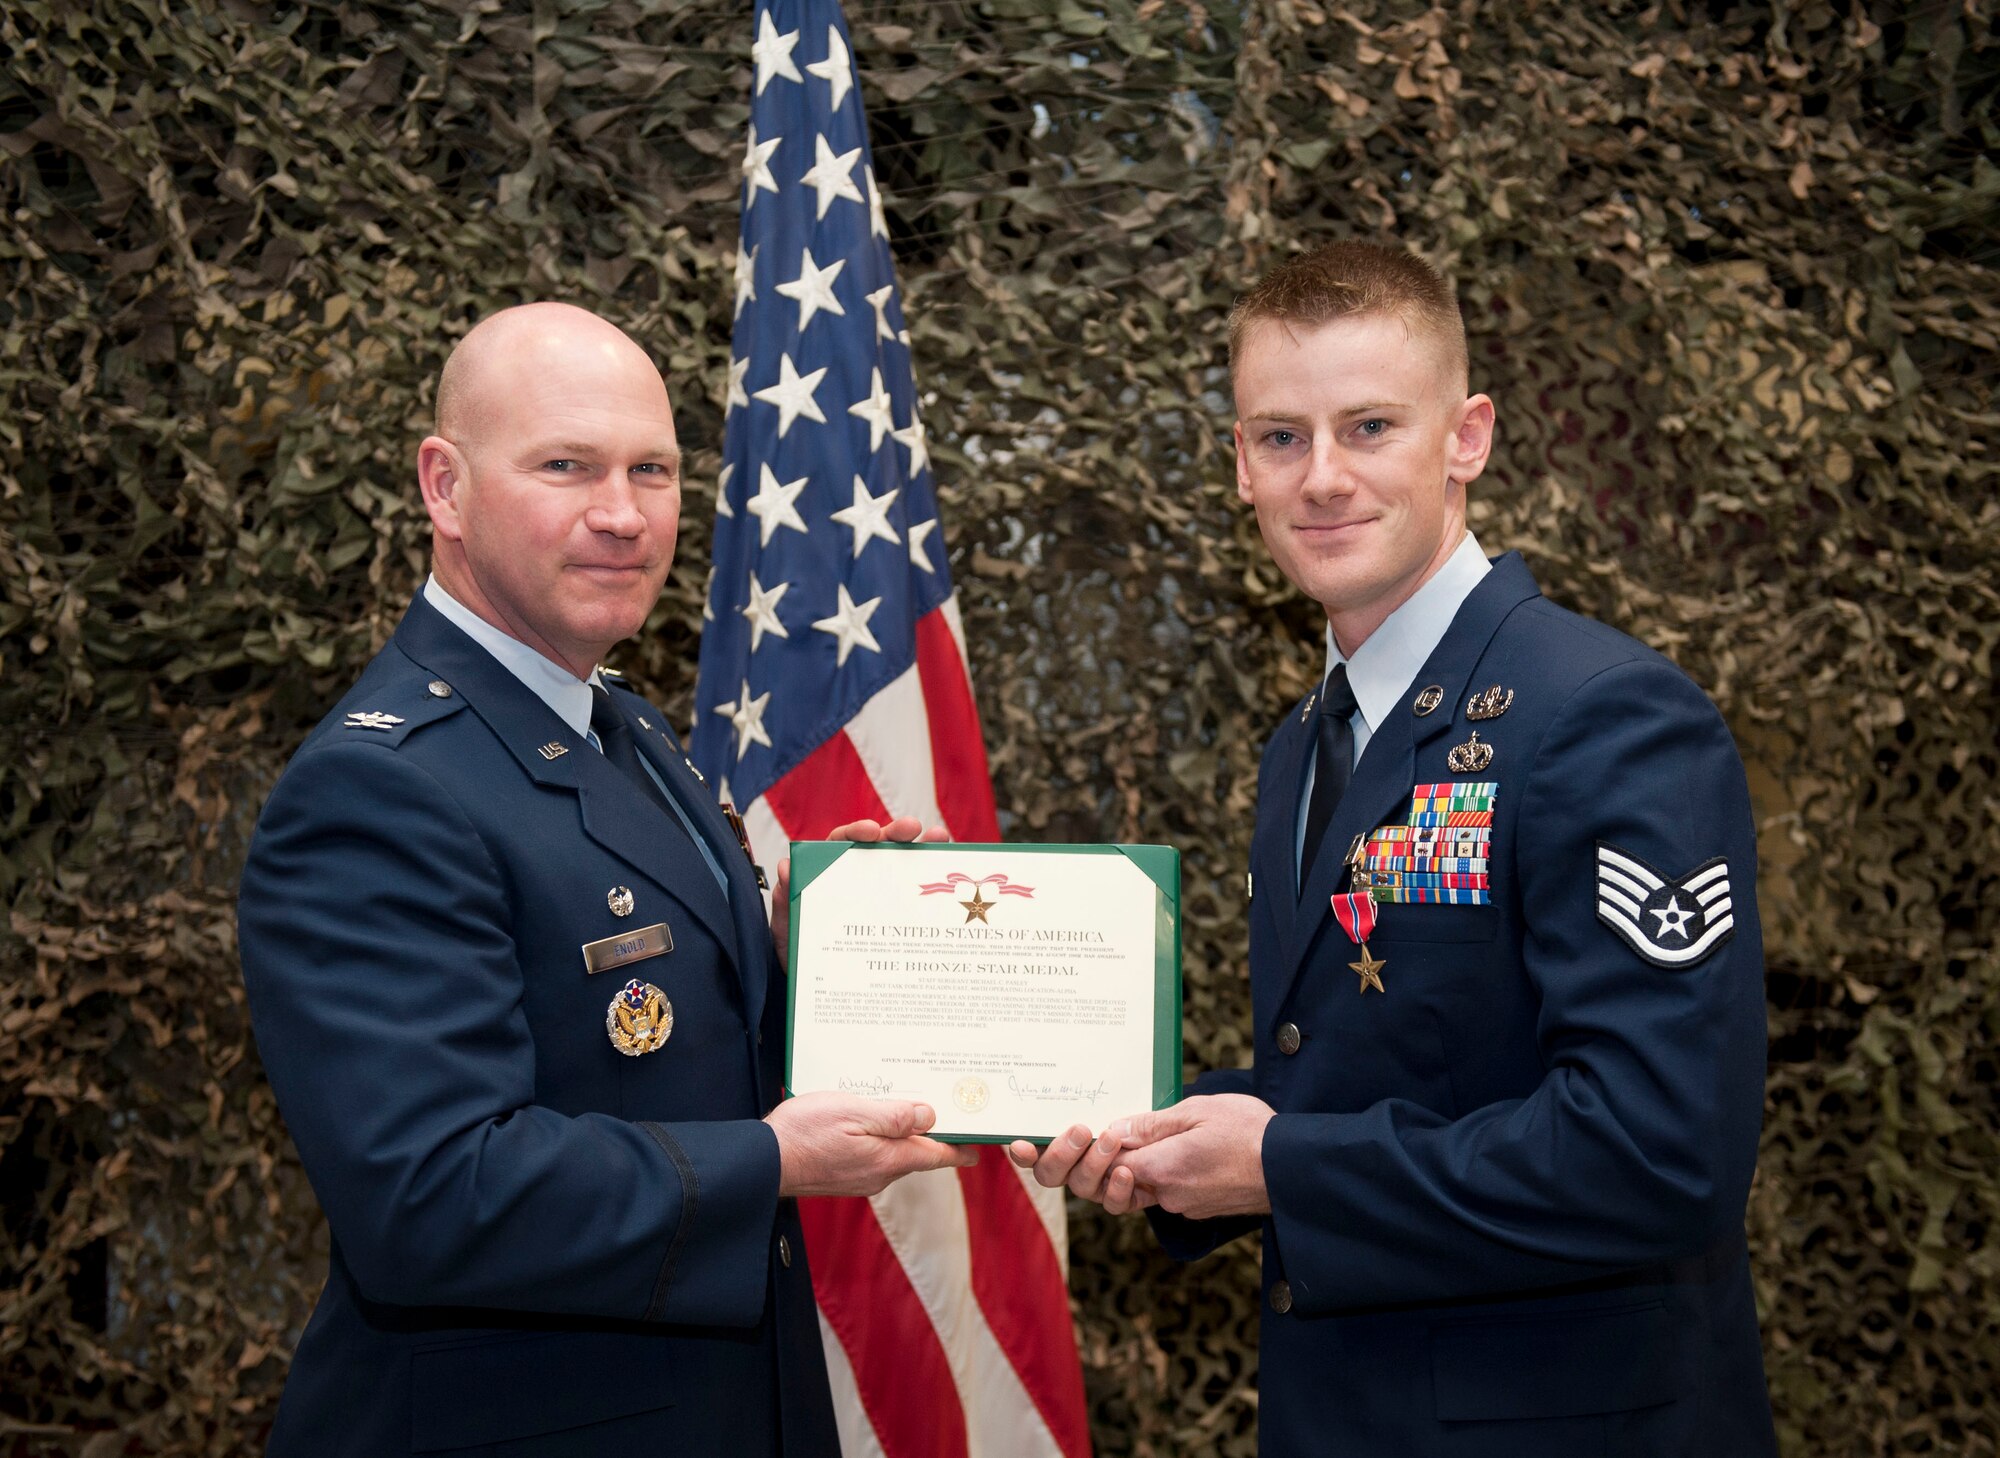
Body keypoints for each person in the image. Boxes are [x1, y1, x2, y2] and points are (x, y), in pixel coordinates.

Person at [1013, 242, 1777, 1456]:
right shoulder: (1306, 741)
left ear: (1464, 437)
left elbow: (1658, 1151)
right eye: (1278, 436)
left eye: (1368, 427)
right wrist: (1149, 1127)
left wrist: (1283, 1169)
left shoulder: (1604, 715)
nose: (1321, 478)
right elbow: (1360, 1077)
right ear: (1237, 463)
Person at [237, 302, 972, 1457]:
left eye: (653, 470)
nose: (622, 515)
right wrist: (777, 1160)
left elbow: (666, 1049)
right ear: (445, 488)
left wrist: (825, 953)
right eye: (565, 467)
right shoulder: (378, 791)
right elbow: (430, 1195)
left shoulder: (616, 728)